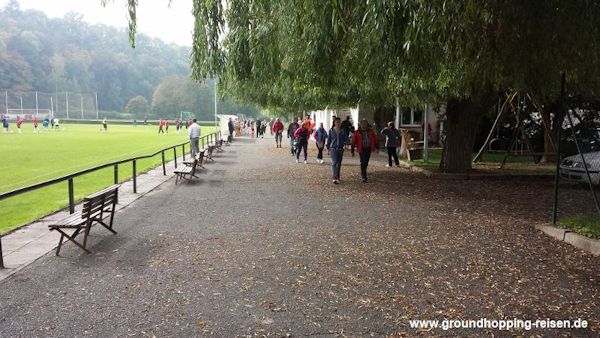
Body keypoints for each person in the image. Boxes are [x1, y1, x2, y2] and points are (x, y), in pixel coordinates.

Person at [326, 117, 348, 184]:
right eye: (337, 122)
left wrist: (345, 143)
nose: (338, 123)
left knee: (339, 163)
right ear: (334, 123)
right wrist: (328, 149)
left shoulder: (343, 130)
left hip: (340, 149)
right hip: (333, 149)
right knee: (334, 162)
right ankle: (334, 177)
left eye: (339, 122)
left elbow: (346, 139)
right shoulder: (331, 130)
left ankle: (338, 176)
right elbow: (329, 140)